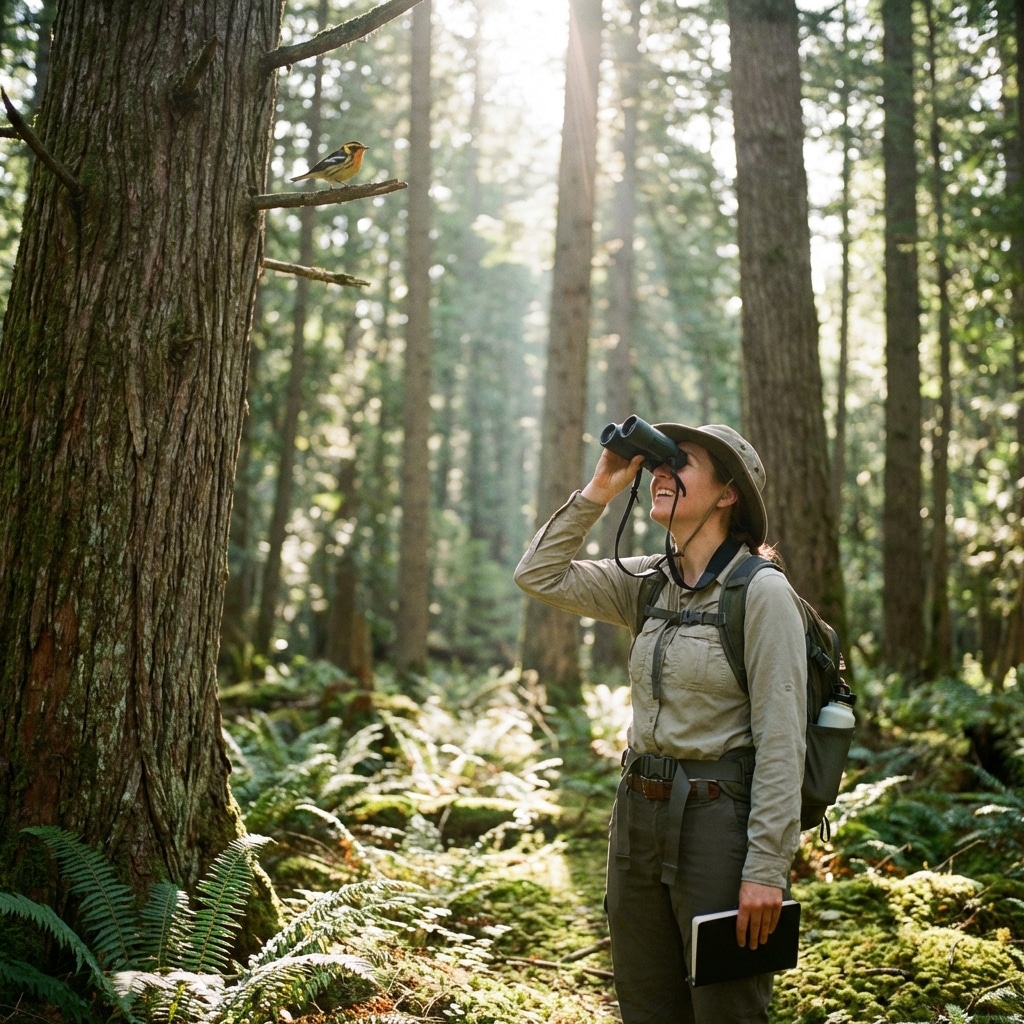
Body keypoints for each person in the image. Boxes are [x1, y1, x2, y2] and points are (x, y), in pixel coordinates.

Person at [514, 422, 807, 1024]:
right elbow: (537, 574)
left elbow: (783, 738)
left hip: (717, 825)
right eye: (660, 462)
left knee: (726, 1009)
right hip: (637, 819)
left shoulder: (760, 593)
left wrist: (766, 872)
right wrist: (600, 487)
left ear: (729, 495)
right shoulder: (647, 581)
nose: (661, 472)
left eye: (683, 463)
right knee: (647, 1008)